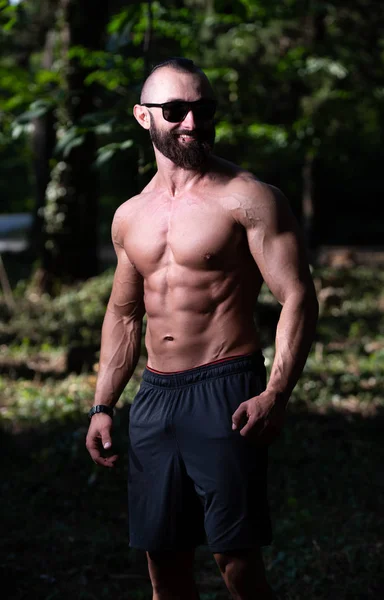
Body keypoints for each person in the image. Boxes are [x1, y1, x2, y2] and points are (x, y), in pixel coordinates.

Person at [86, 57, 319, 600]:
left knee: (235, 562)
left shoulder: (249, 196)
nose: (192, 123)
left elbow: (297, 297)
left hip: (226, 386)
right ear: (144, 117)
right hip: (155, 395)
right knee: (163, 566)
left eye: (203, 110)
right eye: (175, 111)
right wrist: (103, 405)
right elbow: (123, 314)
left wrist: (276, 393)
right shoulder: (131, 215)